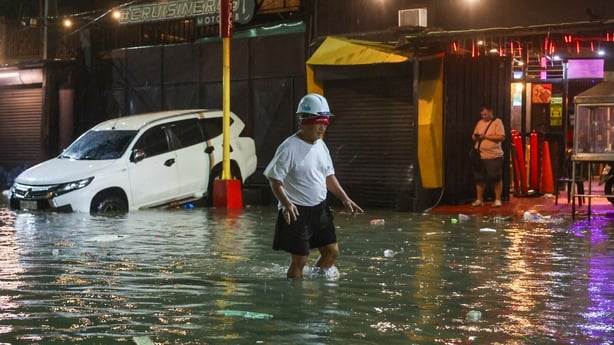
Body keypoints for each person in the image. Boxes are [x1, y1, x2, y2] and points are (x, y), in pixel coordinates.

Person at [263, 93, 364, 280]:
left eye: (326, 121)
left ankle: (316, 282)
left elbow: (328, 176)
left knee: (332, 252)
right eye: (319, 121)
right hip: (297, 210)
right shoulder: (289, 148)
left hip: (320, 209)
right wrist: (286, 203)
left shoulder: (321, 146)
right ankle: (296, 298)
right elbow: (274, 179)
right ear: (302, 121)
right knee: (300, 260)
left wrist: (344, 198)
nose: (323, 126)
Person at [471, 104, 505, 207]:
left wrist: (485, 136)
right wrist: (476, 137)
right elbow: (474, 135)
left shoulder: (497, 122)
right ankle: (479, 199)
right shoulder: (480, 123)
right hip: (480, 155)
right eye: (482, 114)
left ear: (491, 112)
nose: (483, 116)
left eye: (485, 114)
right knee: (479, 178)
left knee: (495, 178)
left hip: (493, 156)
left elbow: (501, 137)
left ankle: (498, 199)